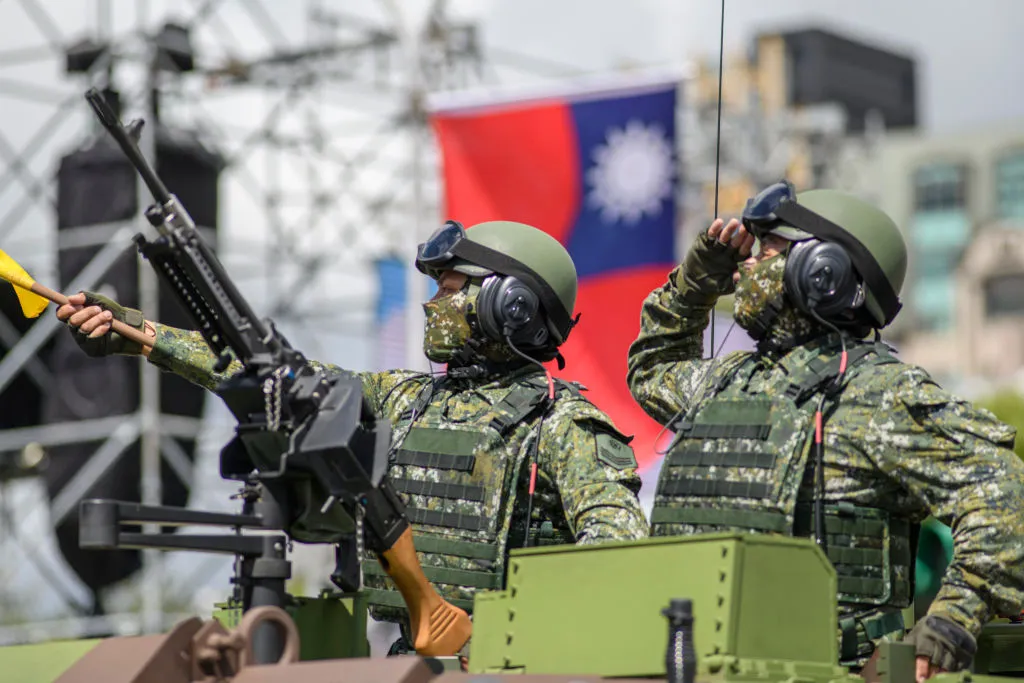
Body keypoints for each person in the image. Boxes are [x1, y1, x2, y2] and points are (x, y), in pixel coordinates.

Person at [58, 219, 648, 655]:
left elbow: (618, 562)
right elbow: (274, 379)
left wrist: (506, 645)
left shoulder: (561, 426)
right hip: (401, 661)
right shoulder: (407, 399)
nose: (431, 303)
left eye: (449, 287)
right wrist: (139, 334)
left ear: (510, 305)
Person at [626, 181, 1024, 679]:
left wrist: (952, 621)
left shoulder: (878, 392)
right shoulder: (728, 379)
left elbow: (1005, 494)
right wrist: (697, 280)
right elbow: (652, 368)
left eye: (768, 248)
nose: (746, 263)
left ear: (822, 272)